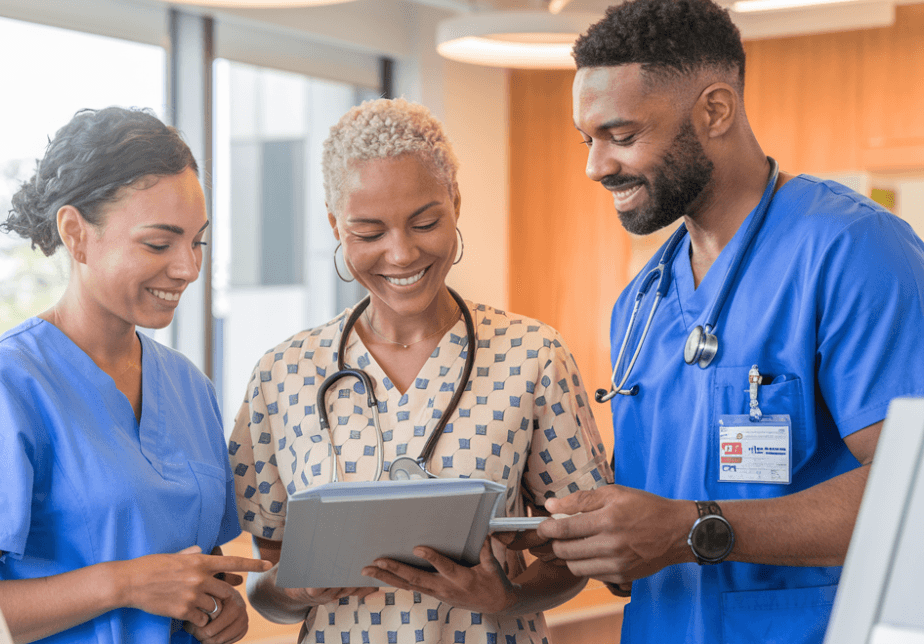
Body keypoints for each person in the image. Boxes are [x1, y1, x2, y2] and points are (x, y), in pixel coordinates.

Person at [534, 1, 924, 643]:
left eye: (622, 135)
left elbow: (910, 494)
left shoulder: (852, 251)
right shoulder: (643, 302)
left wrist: (696, 529)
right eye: (589, 140)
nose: (596, 166)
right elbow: (652, 526)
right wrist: (581, 538)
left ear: (715, 110)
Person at [228, 97, 612, 644]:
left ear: (456, 202)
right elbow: (266, 582)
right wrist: (297, 591)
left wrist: (509, 596)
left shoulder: (533, 355)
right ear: (336, 225)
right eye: (368, 232)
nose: (402, 253)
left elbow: (581, 548)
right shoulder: (282, 374)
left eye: (425, 222)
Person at [0, 107, 270, 644]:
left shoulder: (188, 387)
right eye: (159, 243)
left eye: (197, 242)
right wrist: (123, 584)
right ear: (76, 233)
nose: (188, 268)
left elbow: (200, 557)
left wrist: (221, 604)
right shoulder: (3, 388)